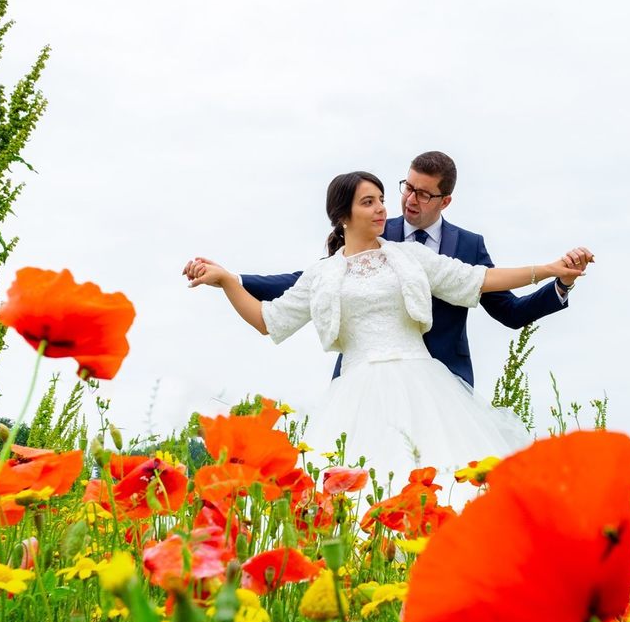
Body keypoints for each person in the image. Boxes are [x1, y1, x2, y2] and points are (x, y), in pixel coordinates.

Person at [182, 171, 593, 491]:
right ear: (343, 216)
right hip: (356, 393)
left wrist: (551, 269)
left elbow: (480, 278)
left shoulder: (409, 256)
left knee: (447, 479)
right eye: (369, 202)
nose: (382, 208)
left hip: (425, 386)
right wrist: (228, 281)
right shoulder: (323, 275)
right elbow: (267, 320)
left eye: (381, 199)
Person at [241, 151, 592, 387]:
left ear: (445, 200)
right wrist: (236, 280)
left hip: (443, 386)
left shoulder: (469, 246)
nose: (410, 199)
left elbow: (510, 311)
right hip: (364, 382)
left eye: (423, 194)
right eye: (408, 187)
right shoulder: (375, 231)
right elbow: (308, 281)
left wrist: (559, 281)